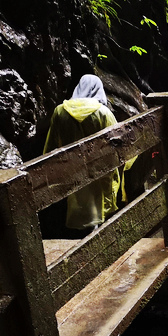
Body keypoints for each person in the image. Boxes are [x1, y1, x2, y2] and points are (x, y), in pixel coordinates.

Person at [43, 74, 122, 234]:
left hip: (71, 173)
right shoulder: (103, 113)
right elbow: (120, 145)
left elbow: (51, 147)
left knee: (76, 212)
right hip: (99, 173)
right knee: (96, 215)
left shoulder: (60, 112)